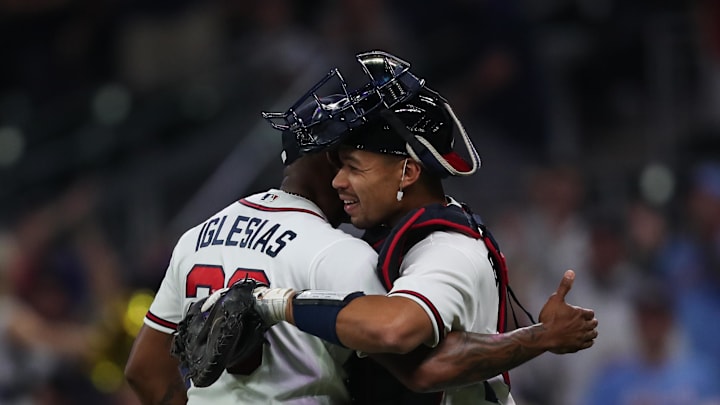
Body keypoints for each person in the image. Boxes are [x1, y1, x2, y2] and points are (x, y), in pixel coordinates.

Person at [200, 50, 597, 404]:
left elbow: (400, 339)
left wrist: (274, 303)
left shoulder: (444, 248)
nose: (338, 181)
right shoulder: (395, 236)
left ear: (408, 171)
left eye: (353, 167)